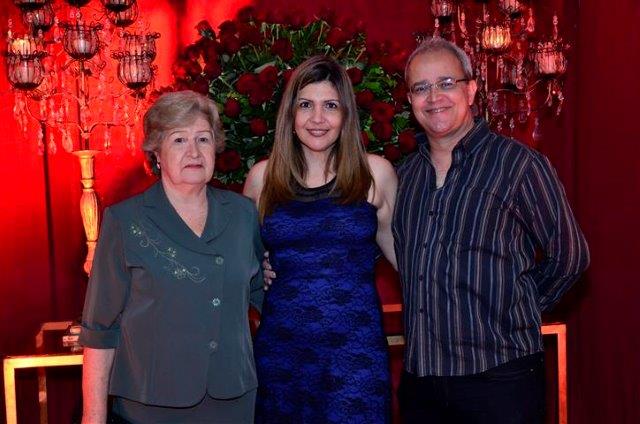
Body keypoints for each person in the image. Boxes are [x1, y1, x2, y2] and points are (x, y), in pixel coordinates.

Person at [393, 37, 590, 423]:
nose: (434, 97)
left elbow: (570, 257)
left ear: (471, 89)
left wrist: (518, 309)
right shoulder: (403, 177)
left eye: (446, 83)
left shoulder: (518, 165)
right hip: (422, 383)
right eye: (421, 87)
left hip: (500, 379)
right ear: (410, 99)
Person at [79, 90, 264, 423]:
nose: (194, 151)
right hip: (151, 405)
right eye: (179, 140)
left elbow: (264, 297)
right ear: (156, 153)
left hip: (233, 400)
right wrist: (93, 419)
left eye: (203, 139)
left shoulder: (242, 214)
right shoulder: (125, 221)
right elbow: (99, 330)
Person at [243, 55, 398, 423]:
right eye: (305, 105)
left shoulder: (375, 174)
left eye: (330, 106)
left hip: (355, 356)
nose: (317, 118)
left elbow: (407, 262)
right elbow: (237, 263)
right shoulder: (262, 179)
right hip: (282, 354)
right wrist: (258, 270)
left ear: (345, 115)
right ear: (290, 115)